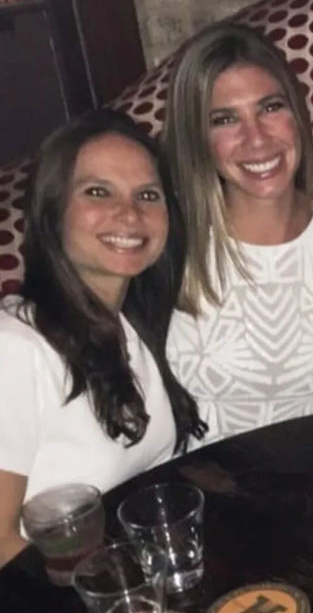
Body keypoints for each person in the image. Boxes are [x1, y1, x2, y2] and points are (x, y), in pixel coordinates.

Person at [0, 110, 205, 565]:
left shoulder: (132, 327)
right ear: (52, 211)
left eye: (147, 195)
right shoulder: (14, 348)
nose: (129, 213)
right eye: (98, 192)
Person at [163, 24, 313, 445]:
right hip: (193, 489)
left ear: (297, 115)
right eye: (225, 119)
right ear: (196, 139)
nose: (256, 138)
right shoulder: (167, 237)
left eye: (270, 108)